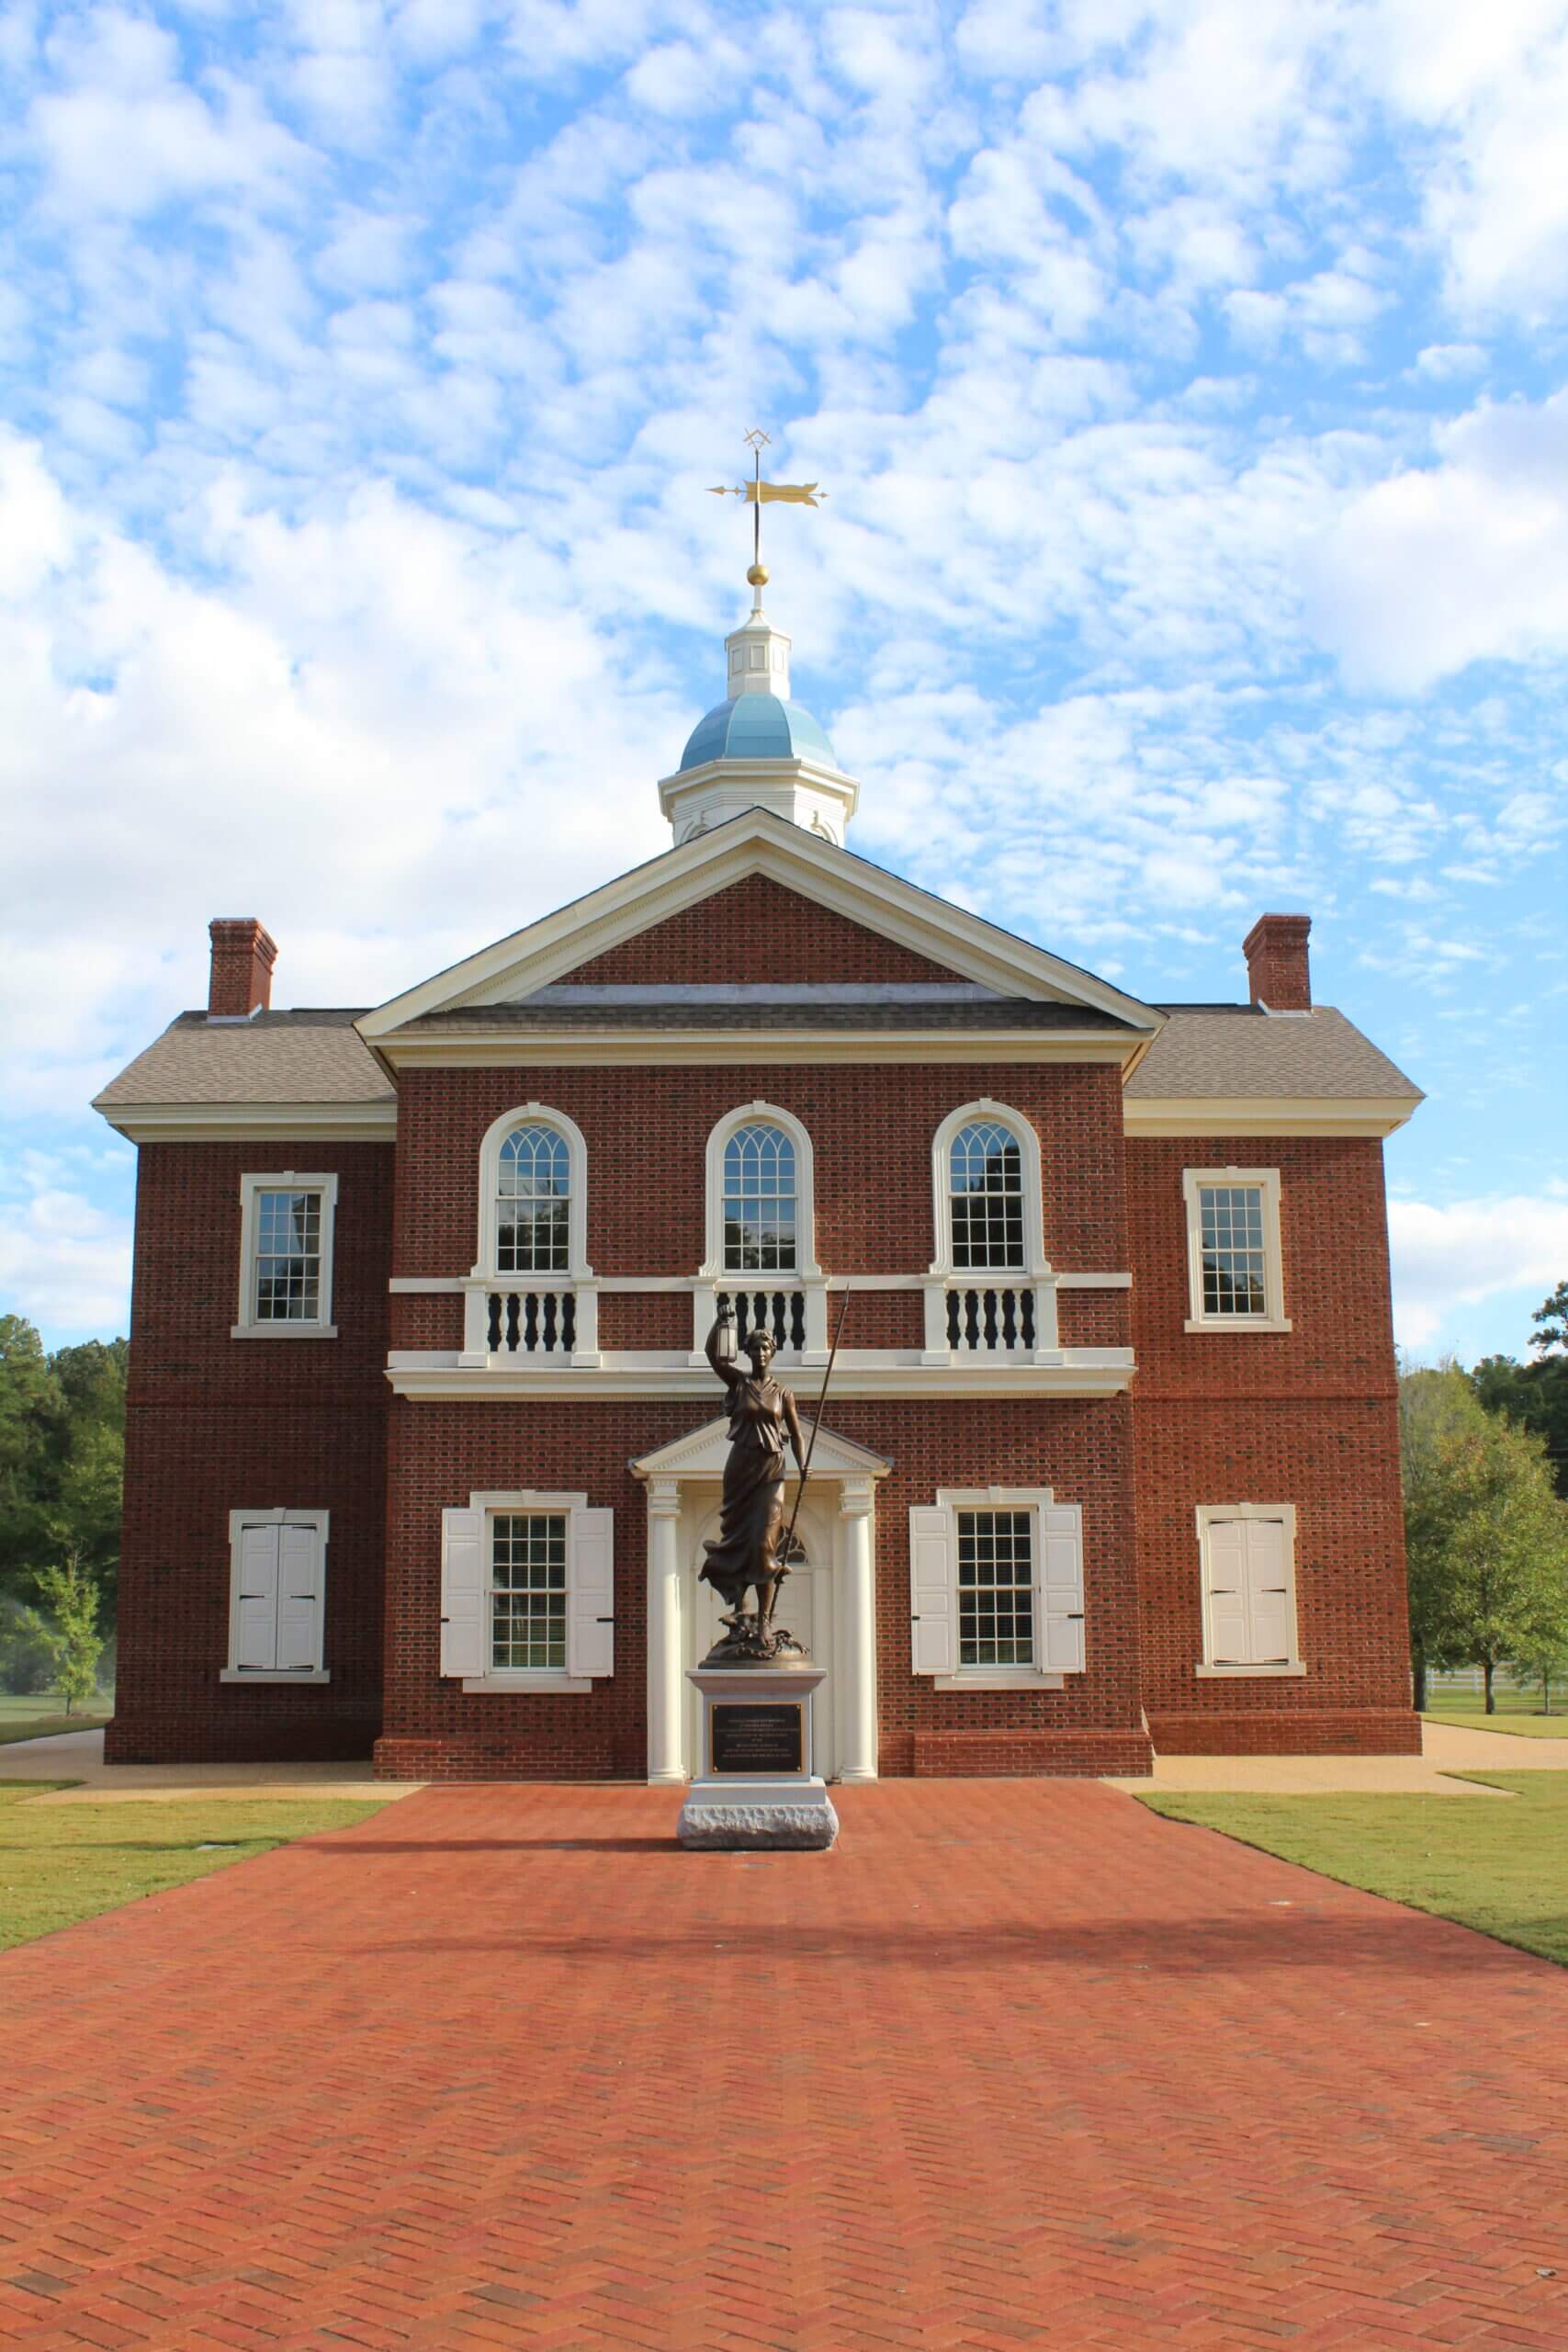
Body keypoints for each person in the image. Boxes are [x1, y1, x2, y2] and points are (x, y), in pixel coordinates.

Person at [702, 1304, 807, 1650]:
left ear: (772, 1352)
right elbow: (713, 1357)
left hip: (772, 1469)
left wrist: (804, 1463)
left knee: (765, 1543)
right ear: (747, 1353)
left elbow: (797, 1432)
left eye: (766, 1348)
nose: (760, 1353)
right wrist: (721, 1323)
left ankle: (763, 1620)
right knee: (739, 1541)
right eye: (755, 1348)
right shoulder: (740, 1382)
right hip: (741, 1469)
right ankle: (740, 1611)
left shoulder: (784, 1393)